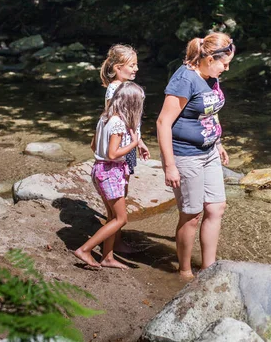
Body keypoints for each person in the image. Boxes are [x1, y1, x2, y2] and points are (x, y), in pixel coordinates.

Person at [156, 32, 235, 280]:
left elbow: (210, 109)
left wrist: (218, 141)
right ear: (209, 58)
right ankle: (185, 271)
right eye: (225, 63)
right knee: (191, 214)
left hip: (209, 151)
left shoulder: (211, 76)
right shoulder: (184, 80)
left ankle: (208, 269)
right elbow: (162, 123)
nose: (227, 68)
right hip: (186, 155)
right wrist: (170, 166)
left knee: (216, 208)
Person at [75, 81, 145, 269]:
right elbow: (113, 154)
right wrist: (135, 143)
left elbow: (93, 146)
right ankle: (85, 249)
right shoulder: (118, 124)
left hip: (100, 169)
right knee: (121, 218)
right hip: (110, 172)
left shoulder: (105, 118)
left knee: (112, 216)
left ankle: (107, 257)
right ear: (132, 104)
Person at [92, 44, 150, 253]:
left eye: (136, 65)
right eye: (131, 65)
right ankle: (114, 241)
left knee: (121, 194)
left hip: (128, 144)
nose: (136, 69)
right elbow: (112, 118)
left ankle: (115, 240)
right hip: (121, 149)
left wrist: (140, 141)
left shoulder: (123, 85)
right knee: (118, 196)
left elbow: (131, 121)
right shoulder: (114, 89)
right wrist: (134, 143)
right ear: (118, 67)